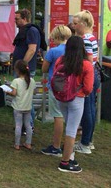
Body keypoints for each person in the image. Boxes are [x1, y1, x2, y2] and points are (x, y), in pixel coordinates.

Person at [55, 36, 93, 173]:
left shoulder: (61, 60)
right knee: (72, 130)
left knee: (70, 127)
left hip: (61, 98)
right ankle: (65, 162)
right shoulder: (86, 64)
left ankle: (70, 156)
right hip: (77, 98)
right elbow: (88, 87)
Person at [41, 25, 72, 156]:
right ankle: (69, 145)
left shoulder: (53, 51)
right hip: (71, 86)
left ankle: (56, 145)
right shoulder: (73, 50)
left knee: (58, 116)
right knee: (70, 117)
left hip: (56, 86)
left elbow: (43, 69)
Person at [72, 10, 100, 154]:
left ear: (83, 23)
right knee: (91, 109)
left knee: (88, 110)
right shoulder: (92, 37)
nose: (74, 26)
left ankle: (85, 143)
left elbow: (89, 60)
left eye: (76, 23)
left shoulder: (86, 39)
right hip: (93, 74)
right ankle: (88, 140)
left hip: (89, 75)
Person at [7, 60, 36, 150]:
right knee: (28, 125)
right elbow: (34, 92)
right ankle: (28, 143)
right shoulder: (32, 80)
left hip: (18, 107)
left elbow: (14, 93)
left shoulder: (16, 81)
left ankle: (17, 144)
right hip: (27, 107)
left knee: (18, 125)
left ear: (17, 70)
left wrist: (7, 92)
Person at [12, 9, 40, 77]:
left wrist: (22, 65)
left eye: (17, 19)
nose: (15, 21)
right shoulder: (24, 30)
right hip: (20, 69)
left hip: (25, 70)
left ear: (24, 19)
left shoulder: (31, 30)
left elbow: (32, 50)